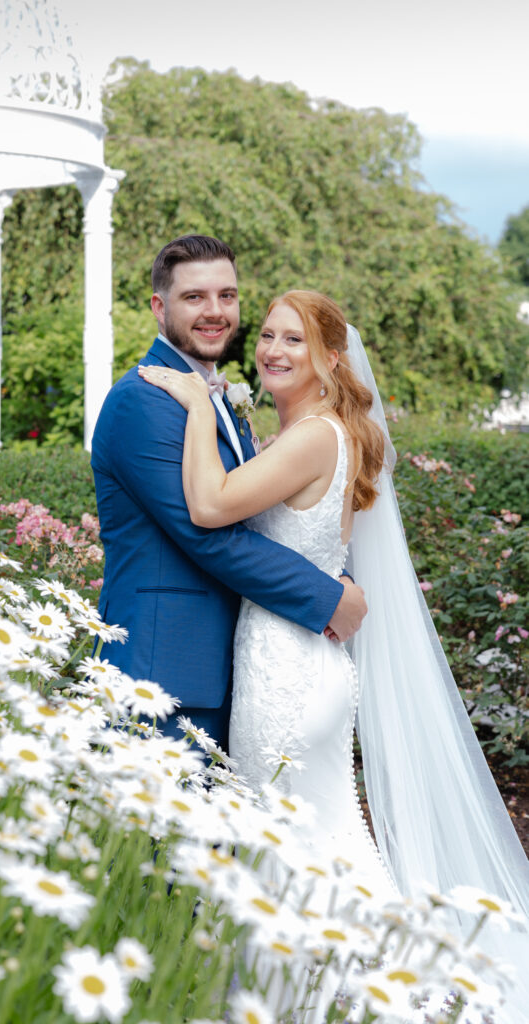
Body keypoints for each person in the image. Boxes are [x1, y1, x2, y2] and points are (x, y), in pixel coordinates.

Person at [138, 288, 529, 1023]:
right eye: (269, 337)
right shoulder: (323, 430)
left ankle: (393, 993)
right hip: (296, 658)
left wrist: (195, 407)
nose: (273, 350)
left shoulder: (315, 435)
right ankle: (332, 991)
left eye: (295, 341)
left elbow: (210, 507)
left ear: (330, 361)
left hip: (288, 666)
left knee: (295, 839)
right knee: (315, 834)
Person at [91, 235, 367, 748]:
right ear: (159, 307)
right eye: (194, 297)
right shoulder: (145, 401)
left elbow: (268, 519)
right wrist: (327, 595)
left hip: (234, 669)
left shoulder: (217, 397)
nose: (214, 311)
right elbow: (207, 533)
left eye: (227, 296)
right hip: (162, 674)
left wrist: (334, 569)